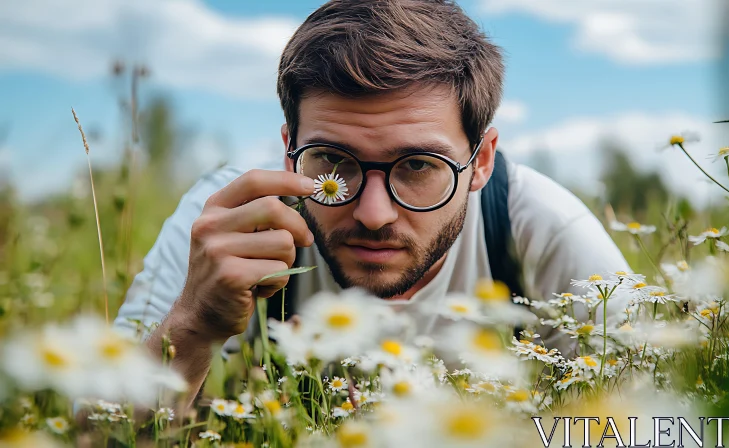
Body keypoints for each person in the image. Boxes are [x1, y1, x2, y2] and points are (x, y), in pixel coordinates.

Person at [114, 0, 629, 403]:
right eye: (334, 161)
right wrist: (193, 325)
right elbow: (92, 433)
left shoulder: (543, 232)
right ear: (289, 153)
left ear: (482, 161)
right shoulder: (227, 224)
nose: (374, 214)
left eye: (419, 166)